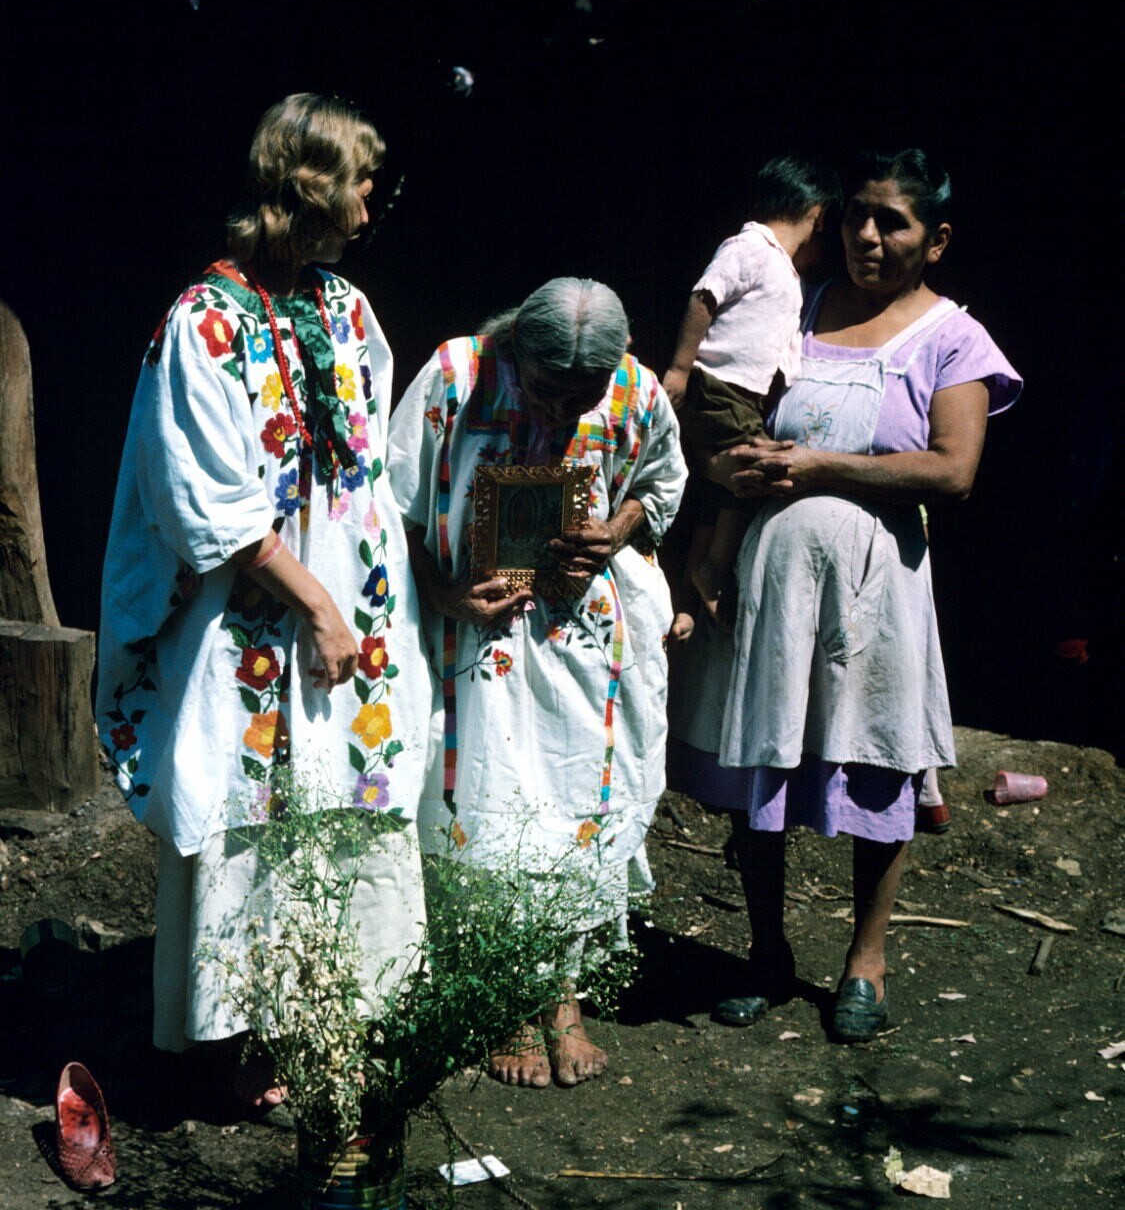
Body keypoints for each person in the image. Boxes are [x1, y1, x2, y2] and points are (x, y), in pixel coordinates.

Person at [96, 93, 435, 1104]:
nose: (371, 202)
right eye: (361, 181)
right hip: (254, 615)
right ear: (309, 187)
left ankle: (327, 1008)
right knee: (252, 801)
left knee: (344, 791)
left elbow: (365, 466)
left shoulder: (345, 308)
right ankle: (242, 1035)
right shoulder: (203, 324)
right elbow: (207, 499)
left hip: (350, 600)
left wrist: (368, 600)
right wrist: (315, 606)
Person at [667, 149, 1021, 1041]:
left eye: (891, 221)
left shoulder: (949, 338)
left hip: (874, 588)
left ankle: (865, 961)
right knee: (760, 759)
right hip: (769, 581)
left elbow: (952, 470)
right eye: (857, 215)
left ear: (935, 239)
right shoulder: (799, 304)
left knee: (877, 758)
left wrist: (820, 465)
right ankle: (765, 952)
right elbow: (725, 407)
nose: (866, 234)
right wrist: (723, 479)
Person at [387, 278, 687, 1087]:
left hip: (583, 641)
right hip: (473, 634)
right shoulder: (456, 376)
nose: (562, 412)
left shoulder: (634, 388)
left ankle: (562, 996)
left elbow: (659, 485)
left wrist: (612, 531)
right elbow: (391, 504)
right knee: (489, 806)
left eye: (581, 397)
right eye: (548, 391)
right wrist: (442, 593)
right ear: (516, 346)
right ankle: (503, 1000)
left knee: (573, 802)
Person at [662, 155, 840, 623]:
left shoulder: (786, 270)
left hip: (744, 397)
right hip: (718, 386)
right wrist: (680, 368)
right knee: (763, 468)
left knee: (720, 491)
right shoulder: (751, 246)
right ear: (818, 216)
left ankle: (692, 590)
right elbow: (705, 296)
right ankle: (714, 568)